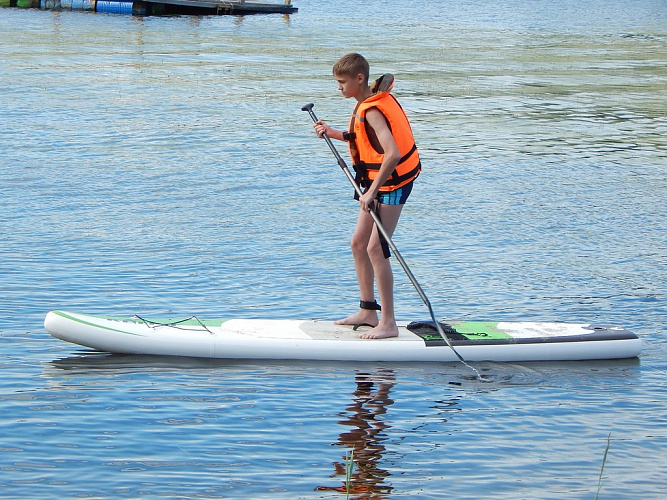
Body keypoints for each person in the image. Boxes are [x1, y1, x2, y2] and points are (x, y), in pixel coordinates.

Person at [313, 53, 421, 339]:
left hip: (393, 185)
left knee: (376, 248)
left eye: (341, 82)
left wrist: (371, 191)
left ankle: (389, 322)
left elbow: (393, 153)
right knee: (359, 243)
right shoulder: (365, 105)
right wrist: (333, 133)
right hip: (375, 182)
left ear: (359, 79)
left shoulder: (372, 110)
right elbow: (364, 140)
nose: (339, 88)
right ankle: (368, 311)